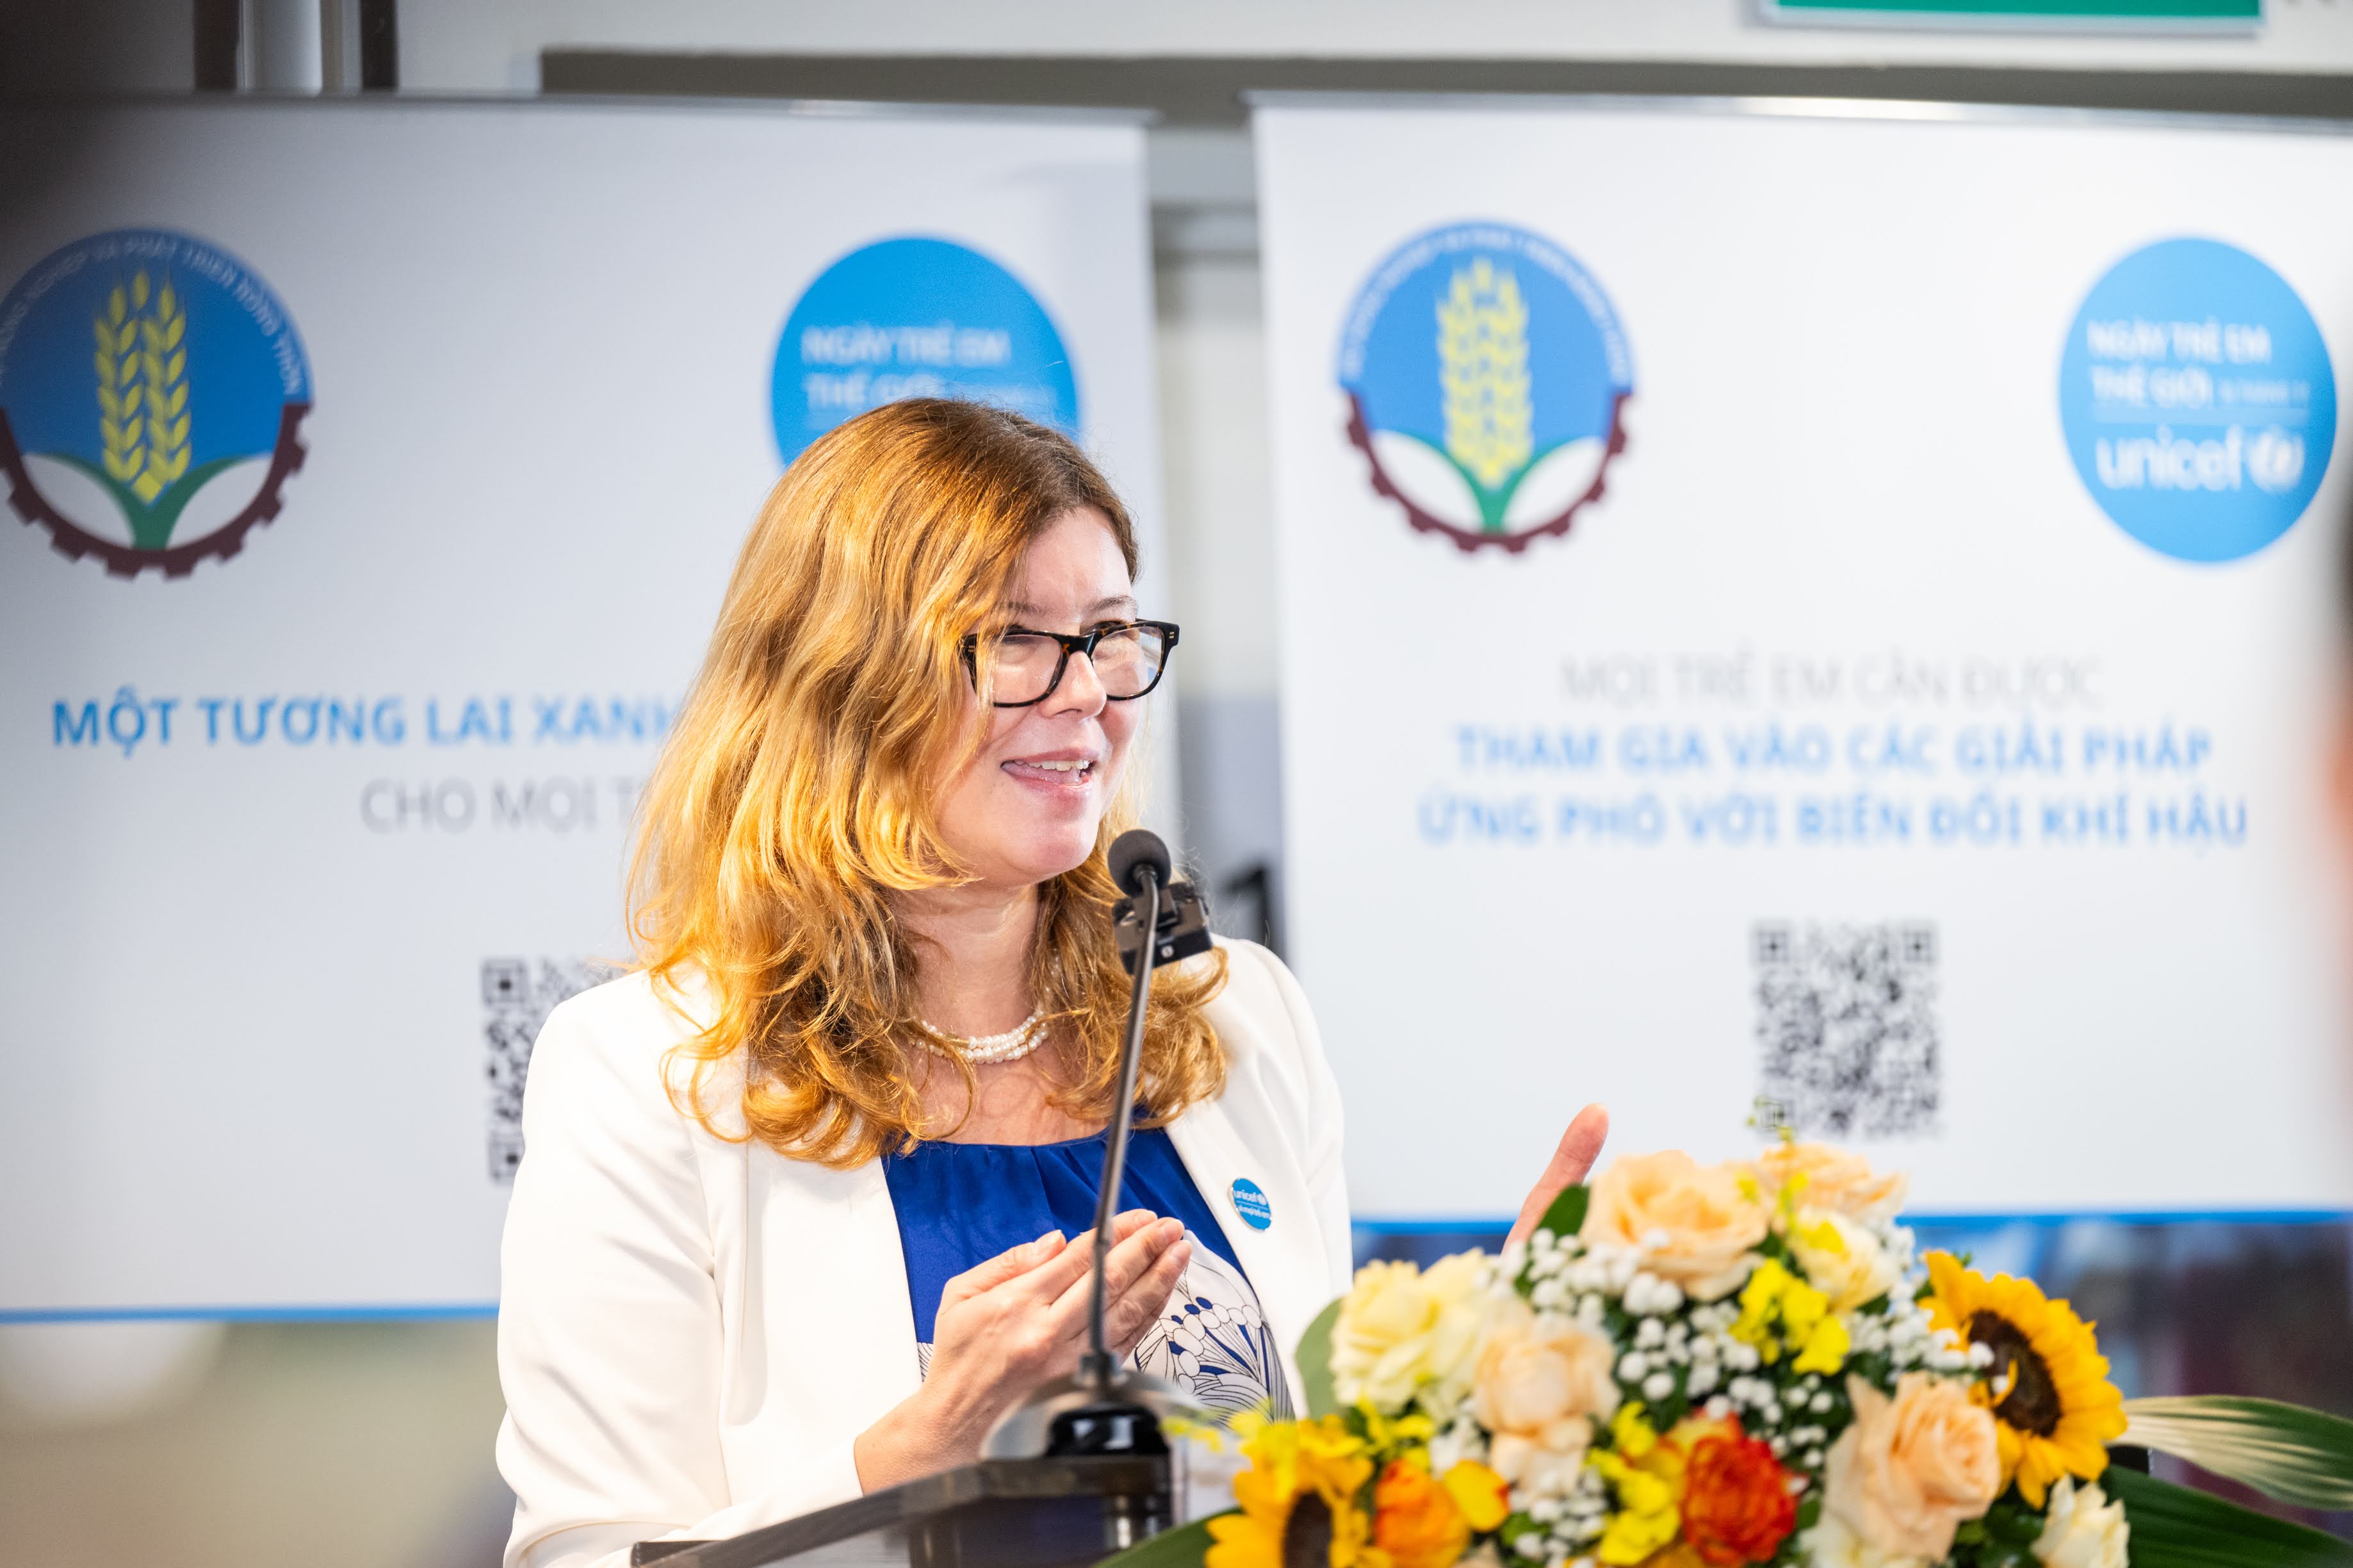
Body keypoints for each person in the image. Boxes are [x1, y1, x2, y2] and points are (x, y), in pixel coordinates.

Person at [493, 398, 1609, 1568]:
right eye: (1015, 639)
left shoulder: (1232, 1015)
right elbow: (583, 1555)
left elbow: (1310, 1497)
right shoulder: (647, 1067)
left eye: (1111, 634)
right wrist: (918, 1452)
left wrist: (1473, 1389)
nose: (1087, 694)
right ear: (842, 677)